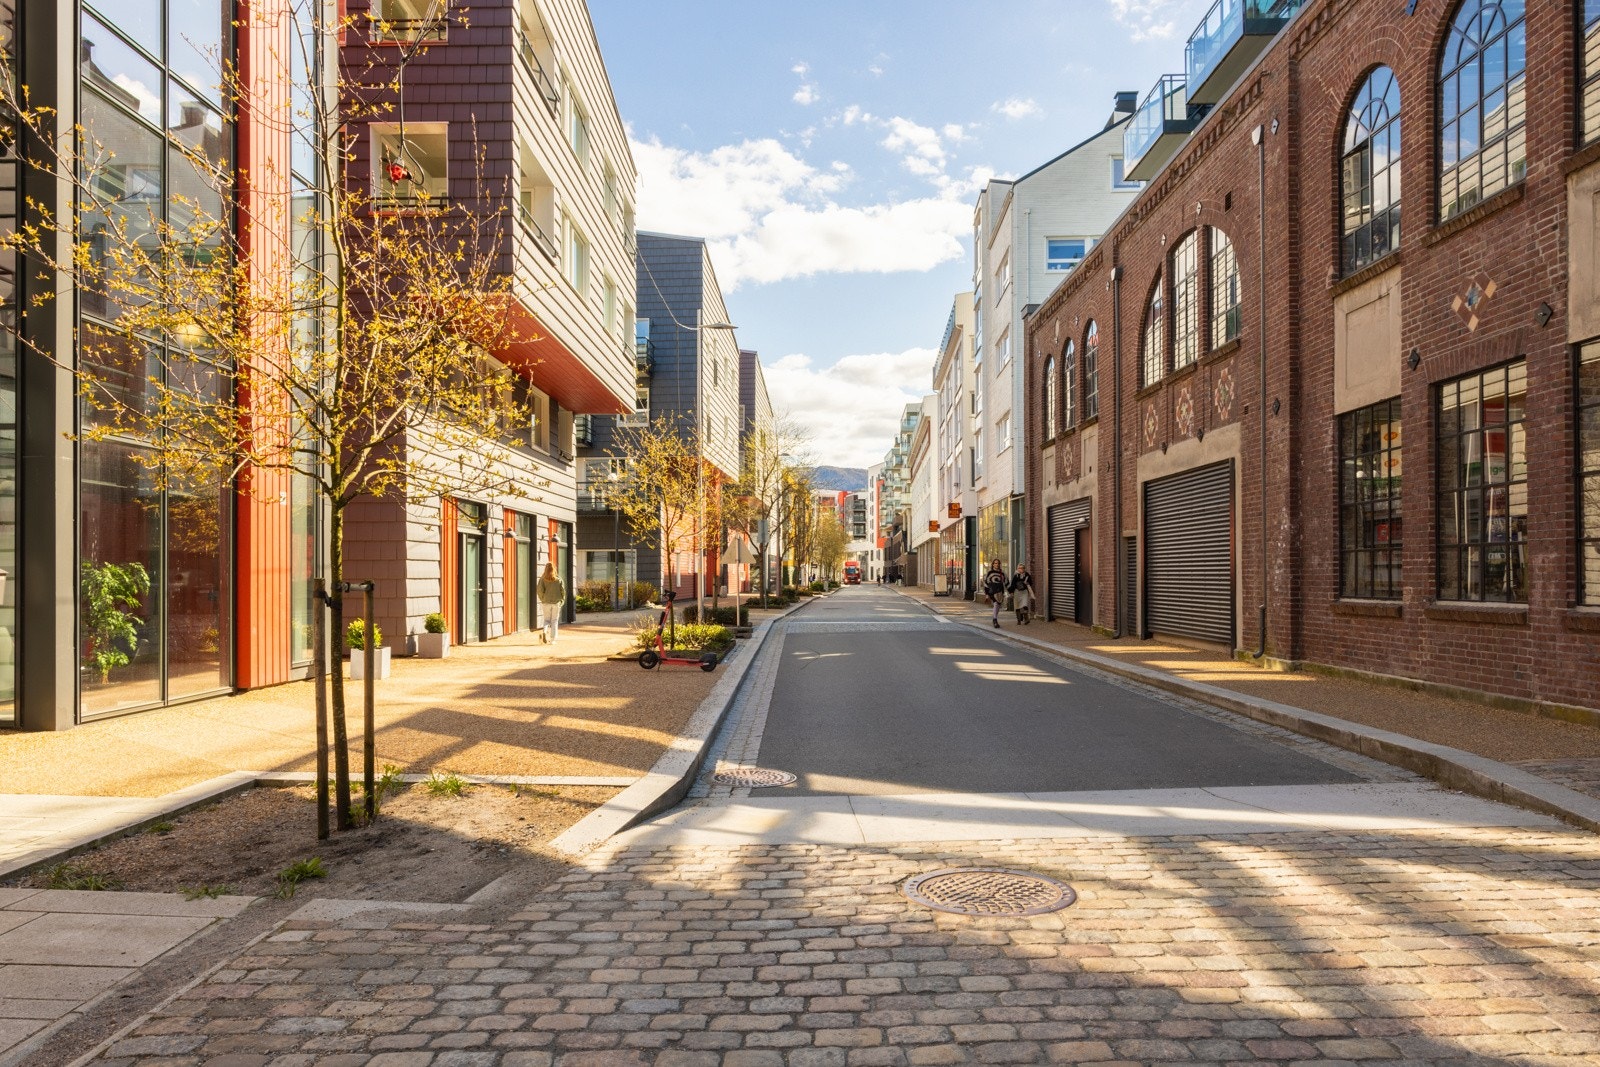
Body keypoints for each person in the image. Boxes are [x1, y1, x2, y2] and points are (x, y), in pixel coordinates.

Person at [536, 562, 565, 644]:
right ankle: (552, 640)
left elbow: (539, 591)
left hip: (546, 602)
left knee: (546, 620)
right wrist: (562, 600)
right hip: (556, 603)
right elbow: (563, 591)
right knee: (554, 621)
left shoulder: (542, 579)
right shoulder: (558, 579)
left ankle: (544, 631)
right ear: (554, 569)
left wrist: (543, 599)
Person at [982, 559, 1008, 628]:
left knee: (998, 605)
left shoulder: (1002, 573)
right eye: (995, 563)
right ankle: (995, 620)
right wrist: (987, 594)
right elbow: (986, 583)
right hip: (992, 591)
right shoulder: (990, 573)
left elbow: (1006, 583)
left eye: (998, 563)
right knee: (996, 604)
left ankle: (995, 617)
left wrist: (1010, 591)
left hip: (1000, 591)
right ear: (993, 564)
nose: (997, 564)